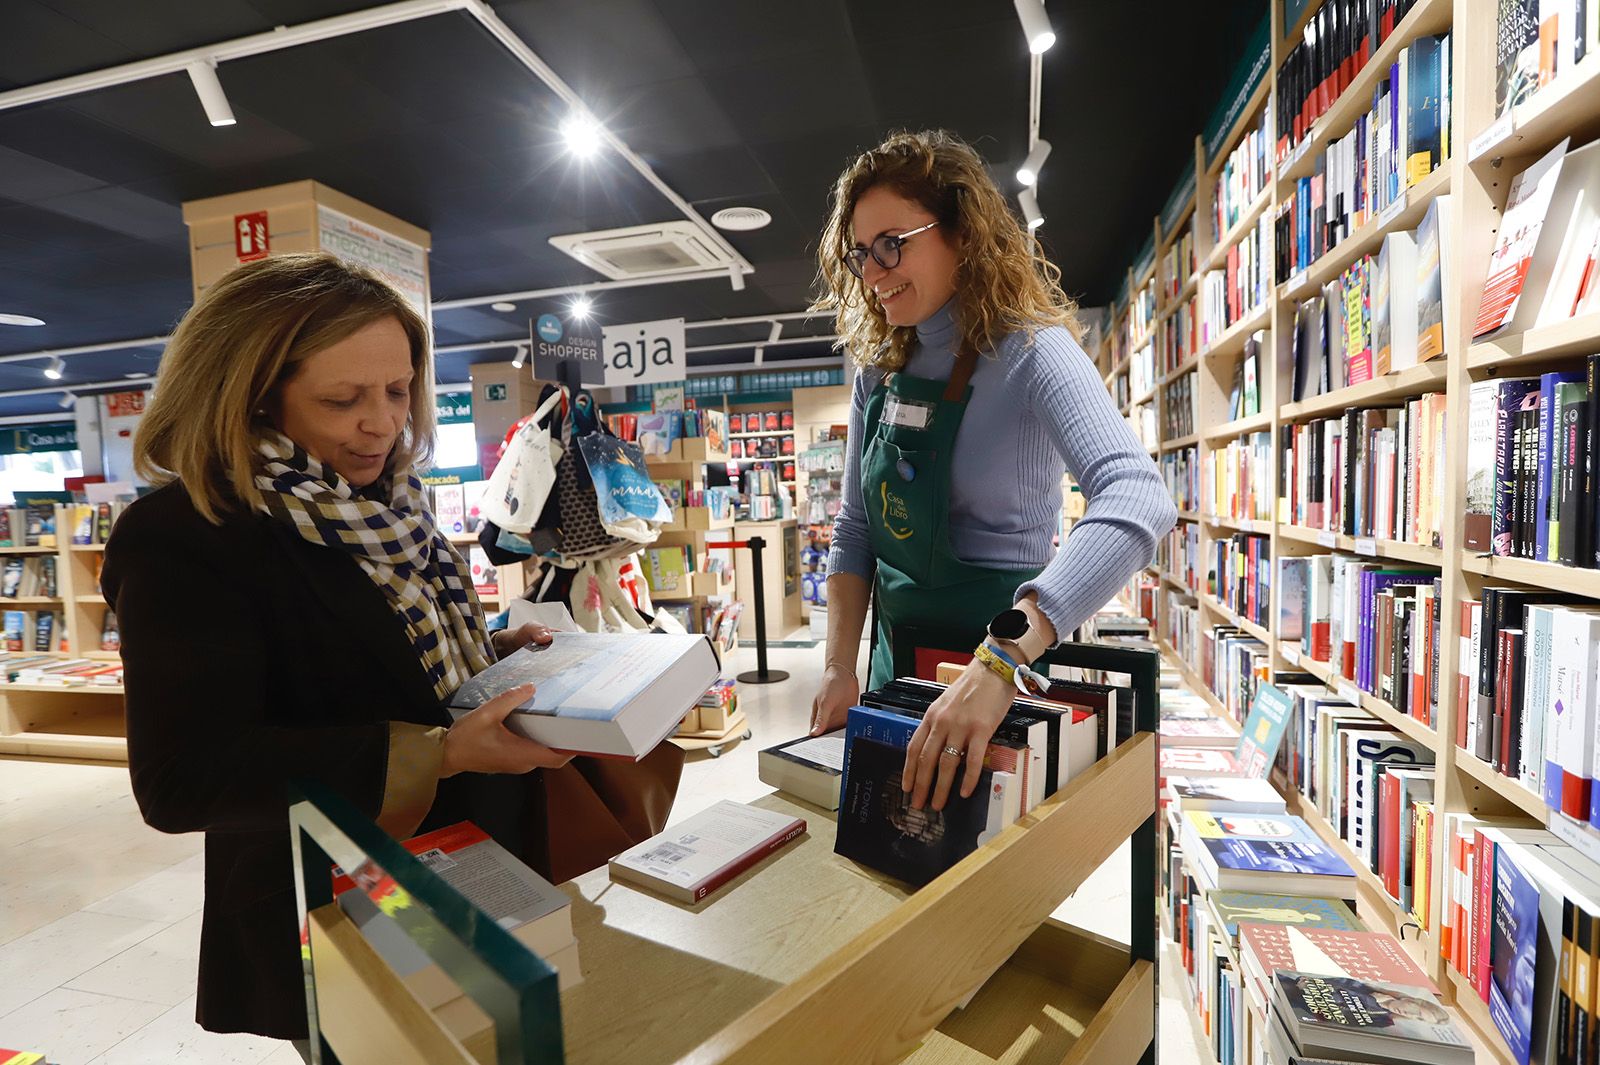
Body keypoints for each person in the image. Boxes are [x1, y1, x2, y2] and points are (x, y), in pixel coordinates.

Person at [100, 253, 622, 1049]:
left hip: (483, 859)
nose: (381, 423)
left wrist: (490, 653)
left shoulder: (391, 502)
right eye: (342, 399)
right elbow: (180, 779)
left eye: (398, 389)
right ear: (252, 397)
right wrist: (439, 753)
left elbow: (374, 654)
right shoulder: (186, 535)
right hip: (343, 897)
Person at [808, 130, 1177, 814]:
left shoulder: (1033, 349)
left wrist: (1003, 660)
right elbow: (856, 527)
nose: (872, 270)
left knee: (986, 889)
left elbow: (1138, 496)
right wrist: (837, 667)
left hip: (1001, 686)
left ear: (962, 233)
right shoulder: (878, 374)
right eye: (860, 252)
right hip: (896, 676)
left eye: (892, 243)